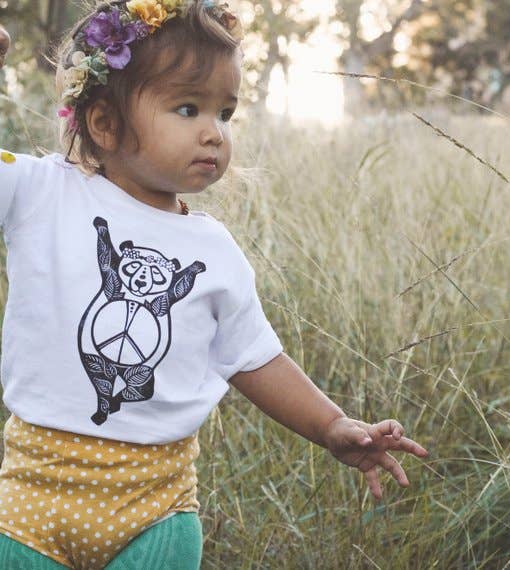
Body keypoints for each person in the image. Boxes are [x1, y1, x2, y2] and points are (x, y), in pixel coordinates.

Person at [0, 1, 428, 568]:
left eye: (225, 113)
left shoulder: (213, 249)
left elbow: (255, 357)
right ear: (104, 123)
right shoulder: (39, 192)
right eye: (188, 108)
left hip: (153, 508)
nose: (214, 133)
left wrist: (331, 425)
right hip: (31, 499)